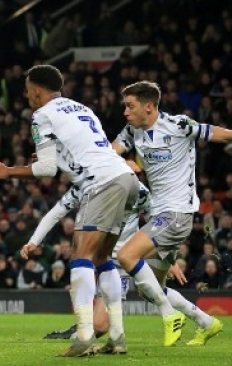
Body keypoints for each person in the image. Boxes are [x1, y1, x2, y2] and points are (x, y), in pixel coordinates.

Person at [0, 64, 139, 356]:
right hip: (125, 178)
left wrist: (8, 172)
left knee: (81, 256)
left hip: (99, 183)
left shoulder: (41, 115)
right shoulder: (82, 109)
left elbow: (47, 169)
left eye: (27, 91)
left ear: (37, 91)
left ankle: (85, 336)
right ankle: (116, 336)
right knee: (103, 258)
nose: (26, 97)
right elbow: (78, 151)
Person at [26, 181, 219, 349]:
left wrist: (168, 256)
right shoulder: (85, 186)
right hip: (112, 258)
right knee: (153, 290)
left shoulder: (137, 190)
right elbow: (57, 211)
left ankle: (80, 333)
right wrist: (34, 240)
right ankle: (205, 321)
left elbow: (159, 218)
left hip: (124, 258)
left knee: (101, 325)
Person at [112, 81, 226, 346]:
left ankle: (169, 315)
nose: (125, 112)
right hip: (159, 217)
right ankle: (207, 322)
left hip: (177, 214)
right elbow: (108, 153)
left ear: (149, 106)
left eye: (130, 106)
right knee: (151, 288)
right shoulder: (132, 131)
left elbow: (218, 133)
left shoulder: (179, 126)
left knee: (127, 255)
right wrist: (121, 160)